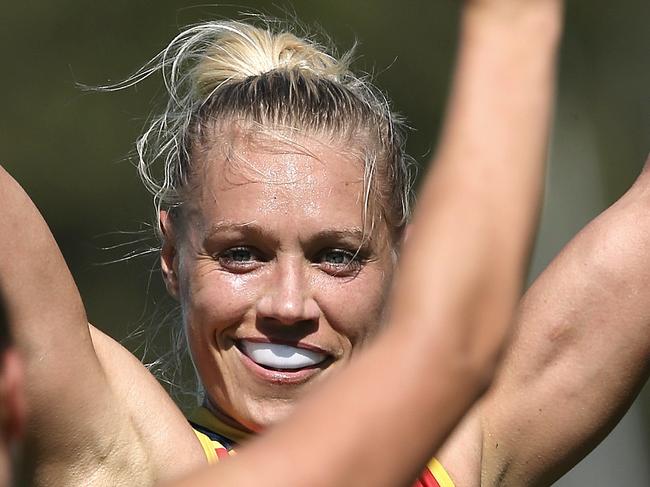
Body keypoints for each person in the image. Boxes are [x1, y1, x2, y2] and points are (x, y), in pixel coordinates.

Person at [2, 0, 647, 486]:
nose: (288, 305)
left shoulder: (462, 447)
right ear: (173, 257)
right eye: (241, 253)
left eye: (337, 256)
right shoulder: (124, 455)